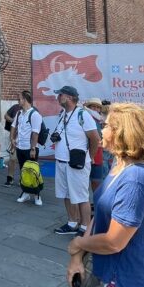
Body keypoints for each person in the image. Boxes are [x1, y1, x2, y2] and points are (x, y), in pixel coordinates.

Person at [67, 103, 144, 287]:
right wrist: (78, 257)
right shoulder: (118, 166)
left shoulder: (135, 179)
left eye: (107, 125)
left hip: (128, 283)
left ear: (123, 133)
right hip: (109, 275)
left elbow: (113, 242)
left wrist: (78, 243)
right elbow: (100, 214)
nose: (102, 129)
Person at [52, 86, 100, 233]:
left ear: (70, 97)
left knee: (80, 196)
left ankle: (85, 227)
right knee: (65, 194)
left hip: (77, 163)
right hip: (61, 161)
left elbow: (95, 139)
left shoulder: (82, 115)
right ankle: (72, 223)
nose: (58, 97)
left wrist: (90, 157)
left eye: (60, 95)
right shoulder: (63, 114)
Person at [12, 90, 46, 206]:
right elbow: (13, 126)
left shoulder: (35, 114)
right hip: (20, 147)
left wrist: (33, 149)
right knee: (23, 171)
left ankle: (37, 195)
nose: (18, 101)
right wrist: (12, 139)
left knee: (33, 171)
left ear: (25, 100)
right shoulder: (19, 113)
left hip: (30, 149)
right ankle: (25, 192)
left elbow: (35, 133)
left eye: (19, 99)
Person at [84, 98, 109, 191]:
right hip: (88, 154)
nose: (95, 109)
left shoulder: (101, 120)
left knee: (97, 181)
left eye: (97, 107)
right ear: (89, 107)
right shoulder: (86, 118)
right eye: (93, 106)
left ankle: (97, 202)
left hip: (98, 155)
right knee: (85, 182)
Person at [3, 103, 21, 187]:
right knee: (12, 158)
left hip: (25, 141)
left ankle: (23, 179)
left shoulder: (33, 111)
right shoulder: (15, 107)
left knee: (23, 161)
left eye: (21, 99)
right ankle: (10, 178)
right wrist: (13, 120)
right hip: (14, 138)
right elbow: (6, 116)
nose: (19, 100)